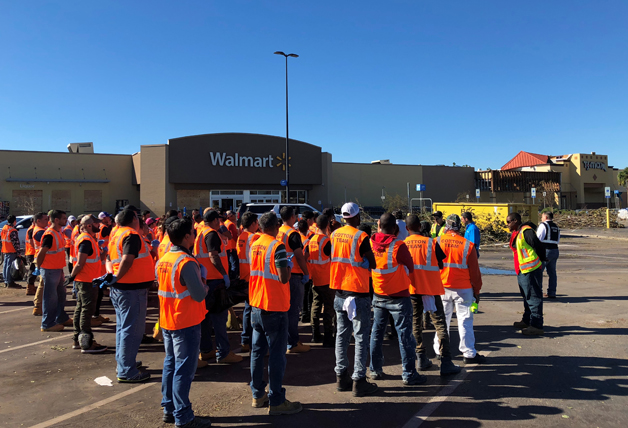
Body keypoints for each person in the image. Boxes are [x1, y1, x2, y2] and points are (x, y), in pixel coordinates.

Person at [157, 218, 213, 428]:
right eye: (192, 232)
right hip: (185, 321)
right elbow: (199, 295)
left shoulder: (164, 259)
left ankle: (169, 408)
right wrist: (205, 284)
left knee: (171, 365)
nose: (195, 235)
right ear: (187, 237)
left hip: (168, 320)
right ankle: (183, 416)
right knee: (184, 369)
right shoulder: (186, 262)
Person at [248, 211, 303, 415]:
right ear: (276, 227)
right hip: (274, 306)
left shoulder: (255, 244)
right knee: (277, 356)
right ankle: (277, 400)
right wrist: (288, 267)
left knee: (257, 352)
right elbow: (282, 278)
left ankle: (257, 395)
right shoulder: (277, 246)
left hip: (256, 304)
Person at [369, 213, 426, 386]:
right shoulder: (398, 246)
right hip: (399, 297)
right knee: (405, 336)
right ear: (395, 228)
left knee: (376, 334)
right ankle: (409, 374)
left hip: (378, 295)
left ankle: (374, 369)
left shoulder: (371, 243)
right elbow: (410, 266)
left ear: (379, 226)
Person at [330, 202, 378, 397]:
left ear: (343, 217)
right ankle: (359, 379)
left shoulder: (333, 235)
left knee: (341, 336)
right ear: (357, 217)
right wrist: (364, 262)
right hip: (357, 291)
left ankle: (341, 377)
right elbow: (372, 262)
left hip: (340, 290)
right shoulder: (361, 236)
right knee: (360, 337)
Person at [405, 215, 461, 376]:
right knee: (440, 325)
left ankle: (421, 357)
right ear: (420, 227)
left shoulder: (403, 244)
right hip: (431, 289)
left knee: (415, 325)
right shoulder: (431, 243)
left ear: (407, 228)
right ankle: (446, 361)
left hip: (412, 291)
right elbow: (441, 263)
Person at [106, 209, 156, 382]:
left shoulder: (116, 235)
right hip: (131, 289)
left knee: (124, 327)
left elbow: (108, 259)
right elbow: (127, 260)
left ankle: (124, 362)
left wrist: (112, 278)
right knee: (132, 329)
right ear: (134, 218)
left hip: (122, 289)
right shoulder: (131, 235)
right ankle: (127, 370)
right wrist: (116, 277)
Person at [434, 214, 485, 363]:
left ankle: (439, 350)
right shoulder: (467, 245)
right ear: (459, 227)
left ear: (447, 227)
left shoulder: (436, 241)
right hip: (463, 289)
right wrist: (477, 291)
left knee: (442, 321)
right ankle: (468, 353)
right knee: (465, 321)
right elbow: (475, 272)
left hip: (441, 287)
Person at [195, 209, 242, 364]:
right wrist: (224, 274)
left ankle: (207, 350)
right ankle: (223, 352)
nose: (220, 223)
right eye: (219, 220)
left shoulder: (201, 233)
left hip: (205, 281)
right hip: (214, 281)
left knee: (206, 318)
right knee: (219, 318)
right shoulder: (211, 234)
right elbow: (213, 255)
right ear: (215, 220)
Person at [68, 215, 107, 353]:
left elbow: (92, 259)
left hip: (88, 279)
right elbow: (80, 262)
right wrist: (71, 276)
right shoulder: (86, 240)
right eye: (97, 224)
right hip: (86, 280)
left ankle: (77, 339)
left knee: (81, 308)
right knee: (86, 309)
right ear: (89, 225)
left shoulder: (89, 239)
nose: (99, 226)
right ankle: (86, 341)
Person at [277, 206, 310, 353]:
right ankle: (293, 343)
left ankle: (285, 341)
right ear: (292, 217)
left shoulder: (277, 232)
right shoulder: (293, 234)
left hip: (281, 275)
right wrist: (306, 272)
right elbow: (299, 256)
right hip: (294, 274)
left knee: (283, 310)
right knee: (293, 311)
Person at [507, 213, 546, 335]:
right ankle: (527, 320)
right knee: (526, 296)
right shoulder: (517, 232)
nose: (507, 224)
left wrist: (543, 259)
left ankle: (536, 325)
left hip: (530, 269)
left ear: (516, 221)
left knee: (533, 297)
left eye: (509, 222)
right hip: (523, 269)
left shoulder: (526, 232)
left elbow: (538, 246)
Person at [36, 210, 72, 332]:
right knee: (51, 298)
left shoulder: (57, 232)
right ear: (56, 220)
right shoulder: (50, 234)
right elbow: (41, 253)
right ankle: (47, 324)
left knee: (61, 295)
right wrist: (38, 268)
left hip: (57, 269)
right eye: (63, 218)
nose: (66, 220)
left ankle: (61, 317)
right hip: (50, 270)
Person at [307, 214, 335, 347]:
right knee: (329, 308)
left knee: (316, 305)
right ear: (328, 225)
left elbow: (307, 256)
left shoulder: (311, 239)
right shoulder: (327, 241)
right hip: (327, 279)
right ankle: (328, 336)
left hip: (315, 278)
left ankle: (315, 333)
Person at [237, 211, 260, 353]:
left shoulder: (241, 237)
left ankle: (245, 340)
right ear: (253, 224)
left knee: (247, 310)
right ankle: (252, 342)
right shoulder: (255, 237)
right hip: (253, 277)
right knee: (254, 310)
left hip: (244, 275)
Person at [537, 212, 560, 298]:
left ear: (545, 217)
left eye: (542, 216)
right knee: (552, 272)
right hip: (555, 250)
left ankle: (538, 291)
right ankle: (552, 292)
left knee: (539, 272)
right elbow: (558, 239)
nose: (541, 218)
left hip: (545, 250)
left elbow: (538, 238)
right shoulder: (556, 226)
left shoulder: (543, 225)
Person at [31, 212, 49, 315]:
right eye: (45, 219)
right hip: (42, 259)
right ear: (38, 221)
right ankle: (38, 306)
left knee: (43, 284)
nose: (47, 221)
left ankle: (39, 305)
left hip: (41, 259)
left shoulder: (41, 230)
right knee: (42, 284)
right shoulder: (40, 232)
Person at [297, 219, 314, 324]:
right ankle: (306, 314)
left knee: (302, 295)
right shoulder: (307, 242)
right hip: (307, 270)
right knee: (307, 295)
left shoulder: (296, 238)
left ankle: (303, 313)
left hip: (297, 270)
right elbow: (306, 257)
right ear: (307, 229)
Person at [1, 215, 21, 288]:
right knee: (9, 266)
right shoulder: (12, 230)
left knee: (6, 265)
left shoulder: (4, 228)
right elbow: (16, 242)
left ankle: (6, 281)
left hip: (5, 249)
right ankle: (9, 282)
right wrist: (18, 252)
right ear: (14, 221)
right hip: (11, 250)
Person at [224, 210, 240, 280]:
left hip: (227, 246)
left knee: (230, 264)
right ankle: (233, 279)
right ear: (231, 216)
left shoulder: (225, 223)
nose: (236, 217)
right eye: (234, 215)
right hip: (232, 246)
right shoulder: (231, 224)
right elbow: (234, 236)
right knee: (234, 264)